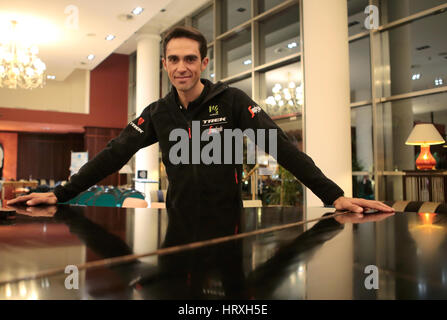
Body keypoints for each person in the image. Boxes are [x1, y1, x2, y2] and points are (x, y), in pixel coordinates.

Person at [8, 26, 394, 215]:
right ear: (164, 65)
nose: (181, 67)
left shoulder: (232, 101)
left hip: (230, 225)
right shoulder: (157, 113)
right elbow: (113, 154)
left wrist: (334, 195)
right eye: (173, 60)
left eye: (190, 59)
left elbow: (282, 148)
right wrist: (61, 193)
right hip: (175, 226)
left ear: (204, 62)